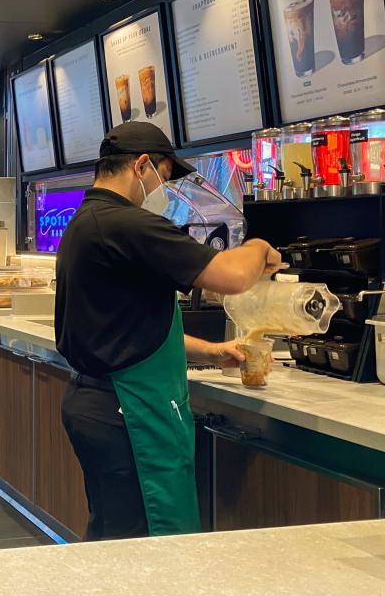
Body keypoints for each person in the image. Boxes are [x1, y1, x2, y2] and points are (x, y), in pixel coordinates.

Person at [54, 122, 283, 541]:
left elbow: (131, 328)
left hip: (102, 404)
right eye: (164, 173)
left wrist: (212, 352)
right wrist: (258, 247)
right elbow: (231, 277)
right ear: (142, 165)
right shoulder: (128, 223)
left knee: (117, 534)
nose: (165, 188)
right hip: (131, 413)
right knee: (147, 549)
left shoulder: (88, 221)